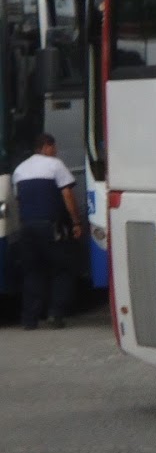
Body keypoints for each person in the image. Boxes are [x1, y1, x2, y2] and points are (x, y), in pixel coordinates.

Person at [13, 132, 83, 330]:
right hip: (50, 226)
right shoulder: (55, 165)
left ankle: (30, 319)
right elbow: (67, 194)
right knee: (63, 268)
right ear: (46, 146)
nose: (56, 151)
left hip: (27, 227)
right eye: (54, 147)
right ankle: (55, 313)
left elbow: (19, 201)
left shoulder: (19, 169)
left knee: (32, 271)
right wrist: (76, 222)